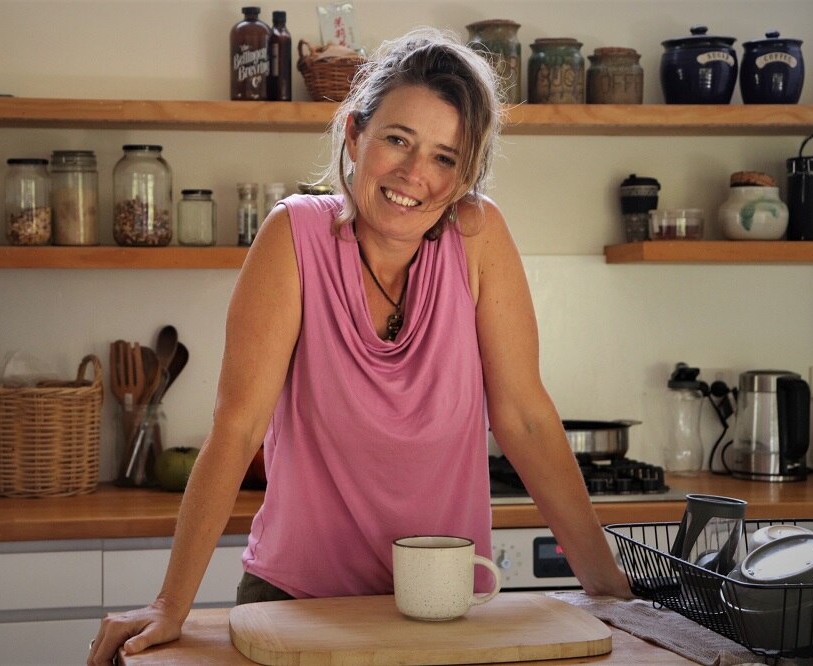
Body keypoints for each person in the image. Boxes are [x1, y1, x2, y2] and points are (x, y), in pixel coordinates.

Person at [88, 26, 631, 665]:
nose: (414, 176)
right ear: (353, 133)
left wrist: (613, 594)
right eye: (397, 140)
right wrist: (168, 604)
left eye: (444, 157)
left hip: (449, 611)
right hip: (298, 604)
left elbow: (526, 420)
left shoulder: (479, 236)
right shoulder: (294, 237)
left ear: (463, 178)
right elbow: (237, 430)